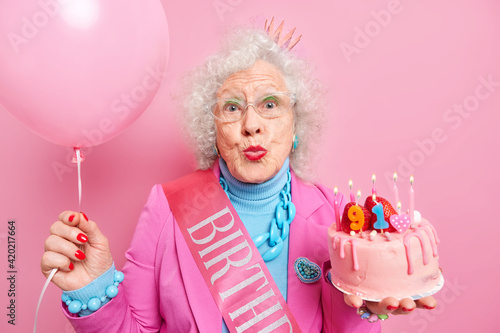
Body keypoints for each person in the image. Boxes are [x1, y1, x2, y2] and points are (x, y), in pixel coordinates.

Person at [41, 27, 437, 332]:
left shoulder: (335, 218)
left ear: (297, 124)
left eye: (270, 104)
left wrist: (367, 307)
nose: (251, 126)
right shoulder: (167, 206)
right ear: (211, 128)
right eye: (232, 108)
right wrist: (94, 291)